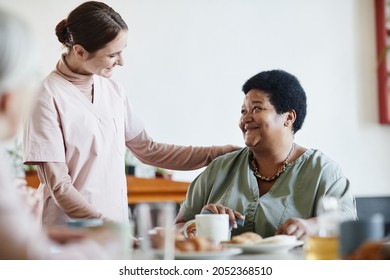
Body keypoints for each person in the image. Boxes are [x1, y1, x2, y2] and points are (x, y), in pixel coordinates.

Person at [23, 1, 239, 227]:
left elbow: (149, 150)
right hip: (68, 232)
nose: (121, 62)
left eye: (122, 51)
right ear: (80, 51)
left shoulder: (113, 91)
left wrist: (216, 154)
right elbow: (59, 186)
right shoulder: (45, 97)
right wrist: (107, 226)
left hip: (115, 229)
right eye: (112, 55)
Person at [0, 8, 126, 259]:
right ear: (7, 98)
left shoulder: (111, 89)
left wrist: (37, 233)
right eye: (29, 80)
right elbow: (32, 260)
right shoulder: (50, 93)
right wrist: (107, 241)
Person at [175, 69, 357, 240]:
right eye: (243, 111)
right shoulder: (219, 169)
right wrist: (200, 222)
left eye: (256, 109)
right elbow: (175, 230)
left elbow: (346, 223)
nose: (245, 119)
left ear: (288, 117)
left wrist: (312, 226)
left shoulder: (323, 171)